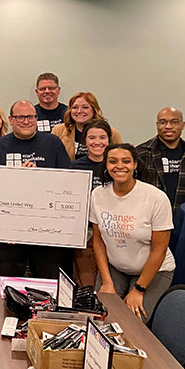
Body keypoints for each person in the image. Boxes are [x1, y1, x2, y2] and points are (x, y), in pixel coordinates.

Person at [0, 100, 72, 278]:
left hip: (47, 228)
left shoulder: (52, 143)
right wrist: (14, 178)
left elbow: (67, 181)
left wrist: (39, 178)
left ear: (36, 118)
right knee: (9, 282)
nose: (26, 121)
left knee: (49, 280)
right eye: (20, 117)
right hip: (9, 231)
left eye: (30, 117)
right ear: (11, 119)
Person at [91, 143, 176, 322]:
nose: (119, 166)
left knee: (131, 324)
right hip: (116, 268)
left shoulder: (156, 198)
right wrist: (106, 281)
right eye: (113, 161)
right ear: (106, 165)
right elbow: (98, 241)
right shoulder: (98, 194)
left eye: (126, 161)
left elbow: (159, 250)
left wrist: (138, 290)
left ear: (135, 164)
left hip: (154, 271)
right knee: (100, 317)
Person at [70, 119, 113, 286]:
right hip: (86, 234)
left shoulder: (117, 166)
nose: (97, 142)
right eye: (92, 138)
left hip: (114, 232)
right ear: (85, 141)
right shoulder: (75, 167)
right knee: (86, 284)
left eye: (102, 137)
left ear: (109, 139)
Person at [137, 106, 185, 214]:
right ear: (157, 125)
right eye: (163, 122)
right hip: (150, 219)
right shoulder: (140, 153)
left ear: (183, 125)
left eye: (174, 122)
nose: (168, 126)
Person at [52, 92, 122, 161]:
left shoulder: (112, 132)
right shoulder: (59, 130)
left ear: (94, 110)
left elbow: (120, 156)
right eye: (75, 107)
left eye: (85, 107)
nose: (79, 111)